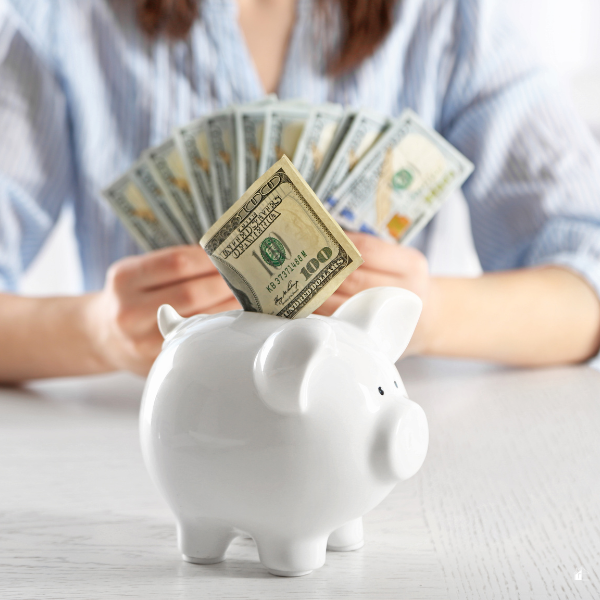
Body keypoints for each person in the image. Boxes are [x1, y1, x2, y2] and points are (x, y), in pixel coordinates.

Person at [0, 0, 599, 383]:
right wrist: (97, 329)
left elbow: (586, 288)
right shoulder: (57, 17)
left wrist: (428, 313)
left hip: (366, 442)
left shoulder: (450, 17)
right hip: (153, 451)